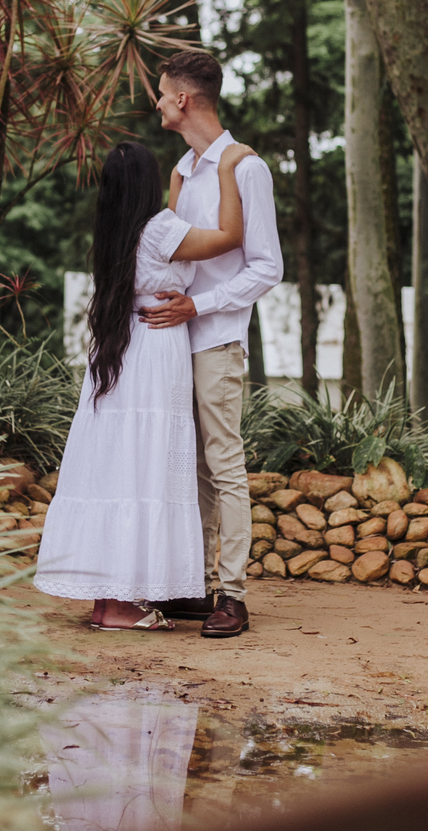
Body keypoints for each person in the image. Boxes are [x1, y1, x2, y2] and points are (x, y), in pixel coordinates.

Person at [34, 137, 256, 630]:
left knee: (117, 468)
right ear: (145, 185)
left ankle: (107, 600)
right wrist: (226, 170)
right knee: (147, 467)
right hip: (155, 352)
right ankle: (121, 607)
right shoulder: (161, 230)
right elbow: (230, 236)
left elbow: (168, 231)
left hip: (120, 350)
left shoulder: (116, 231)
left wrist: (178, 180)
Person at [142, 49, 283, 639]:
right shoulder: (183, 171)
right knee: (192, 465)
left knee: (223, 464)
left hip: (218, 337)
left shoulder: (246, 168)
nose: (156, 102)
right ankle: (197, 586)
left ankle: (234, 596)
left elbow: (267, 266)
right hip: (174, 340)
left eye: (161, 92)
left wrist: (198, 306)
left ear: (183, 99)